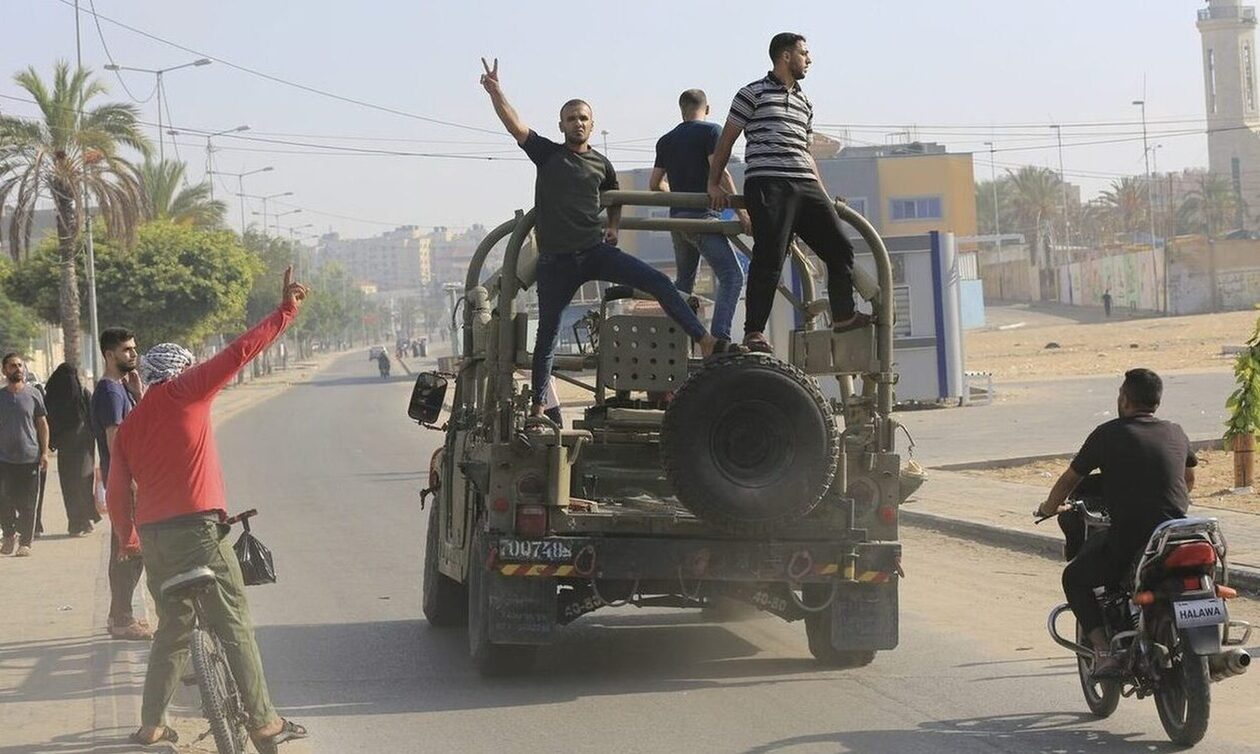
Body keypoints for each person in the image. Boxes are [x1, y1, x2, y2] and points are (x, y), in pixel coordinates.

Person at [107, 268, 309, 751]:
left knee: (172, 633)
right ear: (182, 370)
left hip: (154, 539)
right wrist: (286, 311)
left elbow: (116, 489)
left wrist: (127, 540)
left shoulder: (131, 424)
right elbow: (241, 351)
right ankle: (264, 723)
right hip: (200, 530)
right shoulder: (188, 390)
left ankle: (151, 727)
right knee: (233, 621)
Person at [478, 57, 725, 416]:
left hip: (595, 251)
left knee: (658, 281)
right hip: (556, 263)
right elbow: (516, 126)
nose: (577, 123)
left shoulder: (601, 164)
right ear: (561, 125)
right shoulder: (547, 154)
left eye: (583, 118)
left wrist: (613, 226)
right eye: (571, 118)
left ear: (592, 125)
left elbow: (615, 198)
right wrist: (496, 91)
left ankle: (703, 339)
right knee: (546, 334)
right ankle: (538, 406)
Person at [708, 32, 868, 354]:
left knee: (840, 248)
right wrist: (714, 183)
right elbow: (726, 142)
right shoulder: (751, 93)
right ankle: (753, 332)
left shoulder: (805, 102)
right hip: (769, 184)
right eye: (804, 53)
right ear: (785, 56)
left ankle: (842, 313)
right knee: (770, 255)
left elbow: (807, 153)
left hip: (806, 186)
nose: (809, 60)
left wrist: (823, 196)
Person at [1037, 368, 1196, 676]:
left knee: (1075, 577)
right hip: (1176, 536)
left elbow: (1070, 479)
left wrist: (1048, 507)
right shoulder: (1176, 431)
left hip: (1132, 541)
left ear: (1124, 398)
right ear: (1156, 401)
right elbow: (1188, 479)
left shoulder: (1107, 433)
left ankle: (1103, 650)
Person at [650, 88, 752, 343]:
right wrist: (742, 213)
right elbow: (722, 173)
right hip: (702, 219)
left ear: (681, 109)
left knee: (684, 283)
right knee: (732, 275)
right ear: (707, 109)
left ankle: (673, 343)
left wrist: (676, 193)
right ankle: (720, 338)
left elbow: (654, 184)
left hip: (678, 220)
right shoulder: (711, 131)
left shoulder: (666, 140)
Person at [92, 327, 153, 641]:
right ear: (109, 354)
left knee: (129, 549)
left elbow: (141, 426)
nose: (133, 354)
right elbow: (117, 442)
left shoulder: (122, 388)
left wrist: (139, 394)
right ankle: (122, 618)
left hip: (128, 480)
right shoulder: (110, 392)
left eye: (134, 348)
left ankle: (120, 615)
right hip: (124, 482)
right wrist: (129, 486)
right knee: (127, 550)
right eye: (127, 350)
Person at [0, 353, 49, 557]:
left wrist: (44, 452)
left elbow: (42, 424)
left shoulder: (33, 394)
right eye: (13, 366)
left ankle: (25, 542)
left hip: (30, 457)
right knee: (3, 500)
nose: (18, 369)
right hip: (4, 459)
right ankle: (9, 535)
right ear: (4, 370)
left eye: (20, 365)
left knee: (28, 502)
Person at [44, 363, 99, 536]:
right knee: (75, 484)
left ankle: (83, 520)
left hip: (80, 447)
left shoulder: (82, 395)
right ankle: (77, 522)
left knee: (79, 483)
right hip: (74, 447)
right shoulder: (56, 398)